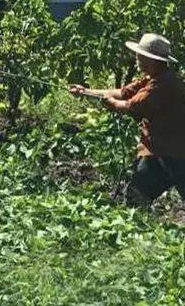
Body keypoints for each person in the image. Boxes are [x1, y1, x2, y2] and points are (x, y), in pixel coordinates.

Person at [69, 33, 185, 206]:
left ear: (151, 59)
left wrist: (114, 104)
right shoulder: (152, 78)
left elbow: (132, 105)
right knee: (135, 197)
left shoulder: (162, 84)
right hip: (163, 151)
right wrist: (86, 91)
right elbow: (122, 93)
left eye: (140, 55)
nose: (136, 58)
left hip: (171, 154)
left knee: (135, 198)